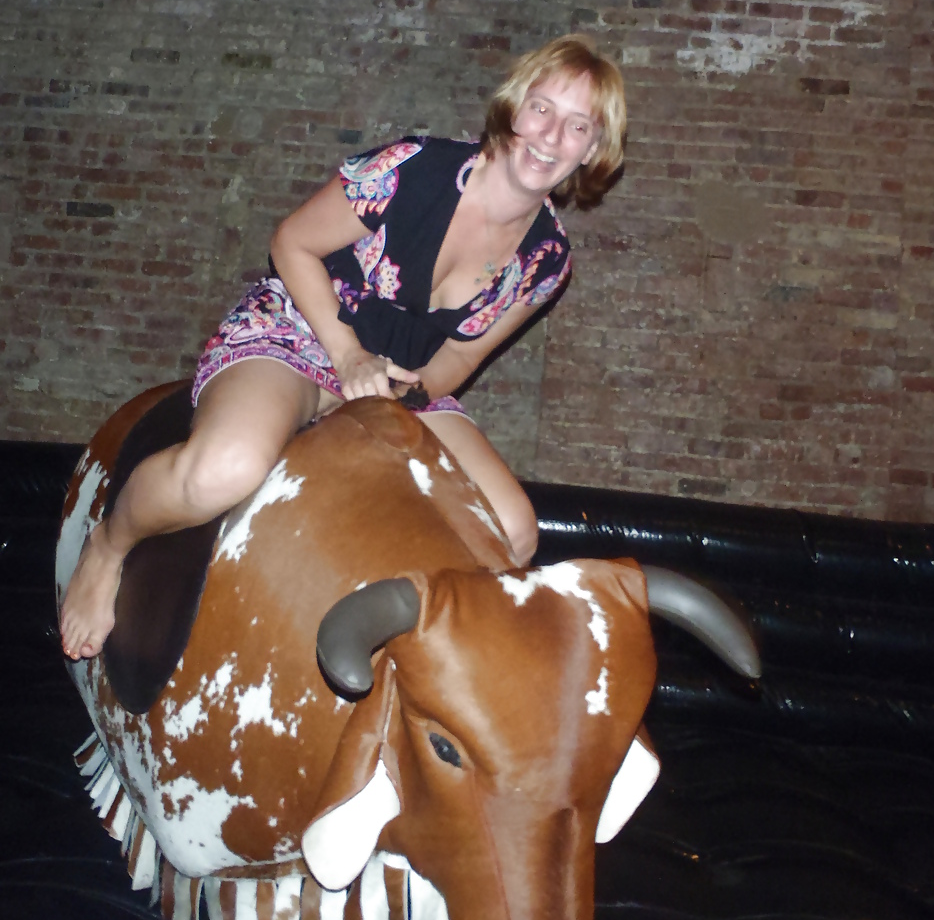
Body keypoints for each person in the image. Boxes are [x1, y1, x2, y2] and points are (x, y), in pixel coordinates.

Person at [59, 34, 627, 661]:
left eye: (578, 126)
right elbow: (292, 242)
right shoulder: (414, 168)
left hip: (396, 382)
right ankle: (109, 545)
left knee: (513, 531)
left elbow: (462, 357)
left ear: (594, 150)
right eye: (543, 109)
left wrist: (402, 392)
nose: (550, 136)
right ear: (514, 106)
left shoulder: (547, 259)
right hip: (303, 331)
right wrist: (348, 356)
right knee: (225, 469)